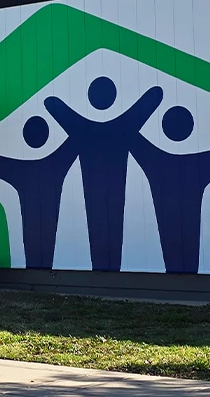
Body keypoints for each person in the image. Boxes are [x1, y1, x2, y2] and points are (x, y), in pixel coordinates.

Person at [42, 77, 163, 272]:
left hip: (94, 189)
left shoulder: (80, 130)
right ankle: (109, 268)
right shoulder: (125, 127)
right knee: (111, 224)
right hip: (114, 189)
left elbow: (57, 109)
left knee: (99, 223)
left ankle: (103, 268)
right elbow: (148, 103)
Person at [129, 105, 210, 273]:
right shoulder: (201, 164)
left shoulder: (154, 158)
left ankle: (179, 275)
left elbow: (130, 135)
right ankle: (184, 274)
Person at [0, 115, 79, 268]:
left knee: (32, 238)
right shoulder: (56, 161)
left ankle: (35, 267)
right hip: (49, 217)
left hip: (30, 221)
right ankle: (44, 267)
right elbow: (74, 140)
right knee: (46, 237)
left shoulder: (19, 169)